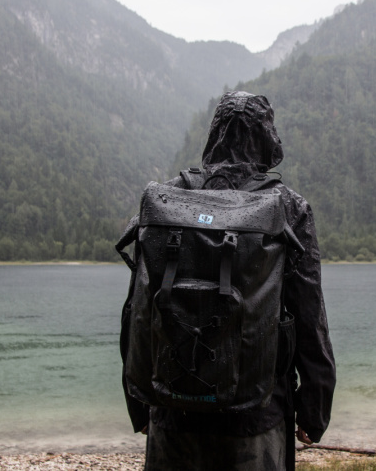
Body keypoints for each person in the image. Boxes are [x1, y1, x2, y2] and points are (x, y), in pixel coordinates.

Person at [125, 91, 337, 471]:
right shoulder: (288, 207)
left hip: (171, 407)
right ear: (267, 137)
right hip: (257, 415)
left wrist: (138, 402)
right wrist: (315, 409)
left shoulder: (167, 200)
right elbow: (310, 318)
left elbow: (137, 310)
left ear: (214, 134)